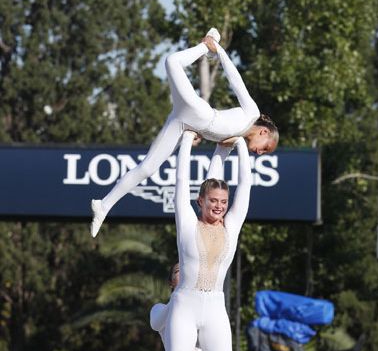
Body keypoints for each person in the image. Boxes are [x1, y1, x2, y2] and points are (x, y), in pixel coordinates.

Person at [90, 29, 279, 237]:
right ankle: (207, 45)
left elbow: (215, 170)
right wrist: (219, 52)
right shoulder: (251, 114)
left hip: (184, 123)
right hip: (198, 112)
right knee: (172, 61)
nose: (261, 153)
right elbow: (236, 81)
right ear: (263, 132)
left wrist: (207, 207)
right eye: (266, 148)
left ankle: (103, 205)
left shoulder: (234, 141)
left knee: (148, 168)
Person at [141, 129, 252, 351]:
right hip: (186, 305)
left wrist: (243, 146)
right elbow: (180, 181)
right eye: (212, 201)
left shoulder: (231, 226)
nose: (218, 207)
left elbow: (246, 187)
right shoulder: (187, 222)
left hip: (214, 306)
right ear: (201, 202)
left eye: (222, 202)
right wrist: (186, 143)